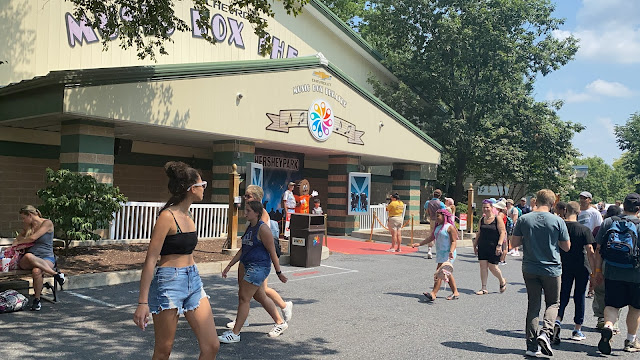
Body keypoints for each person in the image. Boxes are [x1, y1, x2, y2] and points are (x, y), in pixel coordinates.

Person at [133, 161, 219, 359]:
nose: (204, 188)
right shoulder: (167, 216)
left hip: (193, 281)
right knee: (164, 350)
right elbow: (151, 259)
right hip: (169, 283)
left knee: (211, 345)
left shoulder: (189, 215)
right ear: (190, 188)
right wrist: (142, 302)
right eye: (202, 184)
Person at [511, 189, 570, 357]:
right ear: (552, 204)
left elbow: (514, 242)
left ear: (535, 201)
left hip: (530, 267)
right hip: (551, 268)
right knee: (553, 303)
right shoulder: (558, 220)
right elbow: (566, 247)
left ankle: (531, 345)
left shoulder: (524, 219)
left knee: (533, 305)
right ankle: (546, 332)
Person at [219, 200, 289, 343]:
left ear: (257, 213)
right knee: (260, 296)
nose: (245, 213)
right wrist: (229, 265)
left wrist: (279, 272)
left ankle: (235, 333)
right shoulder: (249, 227)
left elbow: (272, 252)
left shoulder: (263, 229)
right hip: (247, 264)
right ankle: (280, 322)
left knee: (244, 298)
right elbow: (243, 249)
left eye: (248, 211)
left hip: (258, 267)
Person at [593, 193, 640, 354]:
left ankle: (608, 326)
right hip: (636, 274)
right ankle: (630, 341)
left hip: (612, 271)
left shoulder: (609, 222)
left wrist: (597, 271)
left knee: (612, 305)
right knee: (635, 308)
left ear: (623, 206)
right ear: (638, 209)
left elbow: (598, 249)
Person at [553, 201, 595, 344]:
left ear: (565, 211)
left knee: (563, 294)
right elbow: (590, 250)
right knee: (579, 296)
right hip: (581, 265)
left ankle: (557, 320)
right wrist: (594, 271)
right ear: (578, 213)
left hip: (563, 264)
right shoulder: (584, 229)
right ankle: (577, 329)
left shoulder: (559, 227)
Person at [14, 205, 65, 311]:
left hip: (46, 258)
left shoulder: (47, 223)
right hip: (27, 260)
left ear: (30, 215)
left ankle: (37, 301)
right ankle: (56, 275)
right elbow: (17, 239)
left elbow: (33, 238)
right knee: (28, 255)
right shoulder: (28, 227)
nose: (23, 221)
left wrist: (21, 242)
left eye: (24, 218)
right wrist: (17, 243)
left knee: (37, 270)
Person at [412, 208, 459, 301]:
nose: (436, 218)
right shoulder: (437, 227)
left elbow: (454, 241)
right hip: (440, 253)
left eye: (438, 216)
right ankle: (455, 292)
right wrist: (419, 244)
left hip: (449, 253)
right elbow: (431, 238)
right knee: (446, 273)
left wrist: (451, 251)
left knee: (440, 273)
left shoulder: (450, 227)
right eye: (435, 216)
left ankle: (433, 293)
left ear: (444, 216)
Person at [472, 199, 507, 295]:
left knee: (493, 267)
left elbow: (502, 232)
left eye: (487, 207)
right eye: (484, 207)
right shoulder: (482, 220)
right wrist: (475, 245)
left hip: (494, 246)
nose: (485, 209)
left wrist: (499, 245)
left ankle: (502, 280)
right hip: (483, 246)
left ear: (492, 208)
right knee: (483, 266)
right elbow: (479, 233)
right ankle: (483, 288)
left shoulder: (497, 219)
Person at [424, 189, 445, 258]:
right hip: (440, 221)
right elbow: (444, 212)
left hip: (432, 220)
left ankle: (429, 250)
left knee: (432, 235)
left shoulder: (428, 202)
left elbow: (426, 210)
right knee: (440, 235)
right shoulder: (441, 204)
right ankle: (440, 251)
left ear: (433, 194)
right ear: (440, 196)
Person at [493, 200, 510, 265]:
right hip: (505, 230)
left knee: (503, 246)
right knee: (505, 246)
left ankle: (501, 260)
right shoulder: (504, 214)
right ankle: (503, 260)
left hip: (501, 231)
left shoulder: (500, 215)